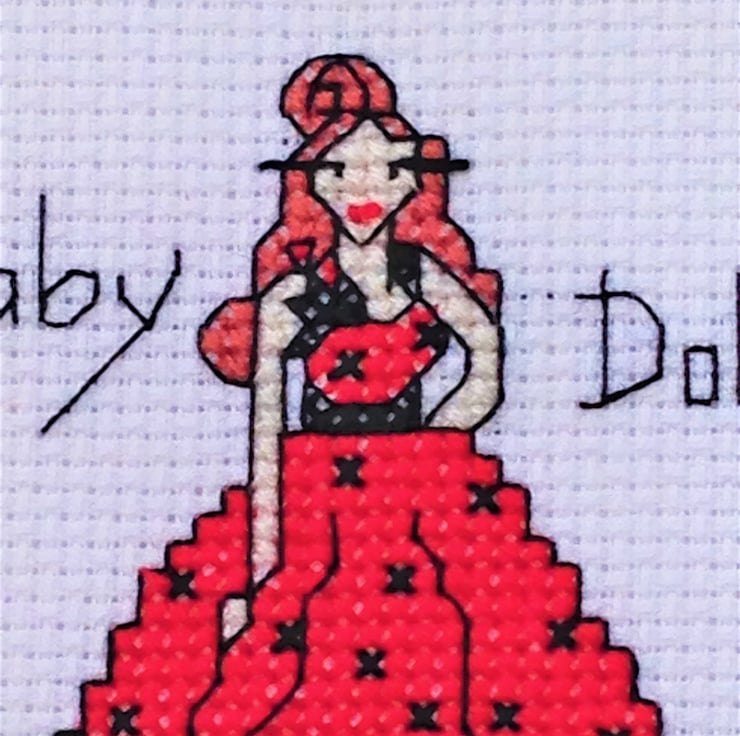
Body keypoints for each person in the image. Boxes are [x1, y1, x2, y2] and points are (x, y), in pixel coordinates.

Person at [57, 55, 660, 736]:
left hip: (416, 486)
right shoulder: (296, 292)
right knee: (301, 621)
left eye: (388, 169)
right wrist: (260, 565)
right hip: (316, 489)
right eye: (339, 171)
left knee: (456, 613)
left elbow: (484, 349)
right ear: (314, 184)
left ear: (412, 181)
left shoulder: (420, 272)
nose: (364, 188)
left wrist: (445, 432)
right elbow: (266, 420)